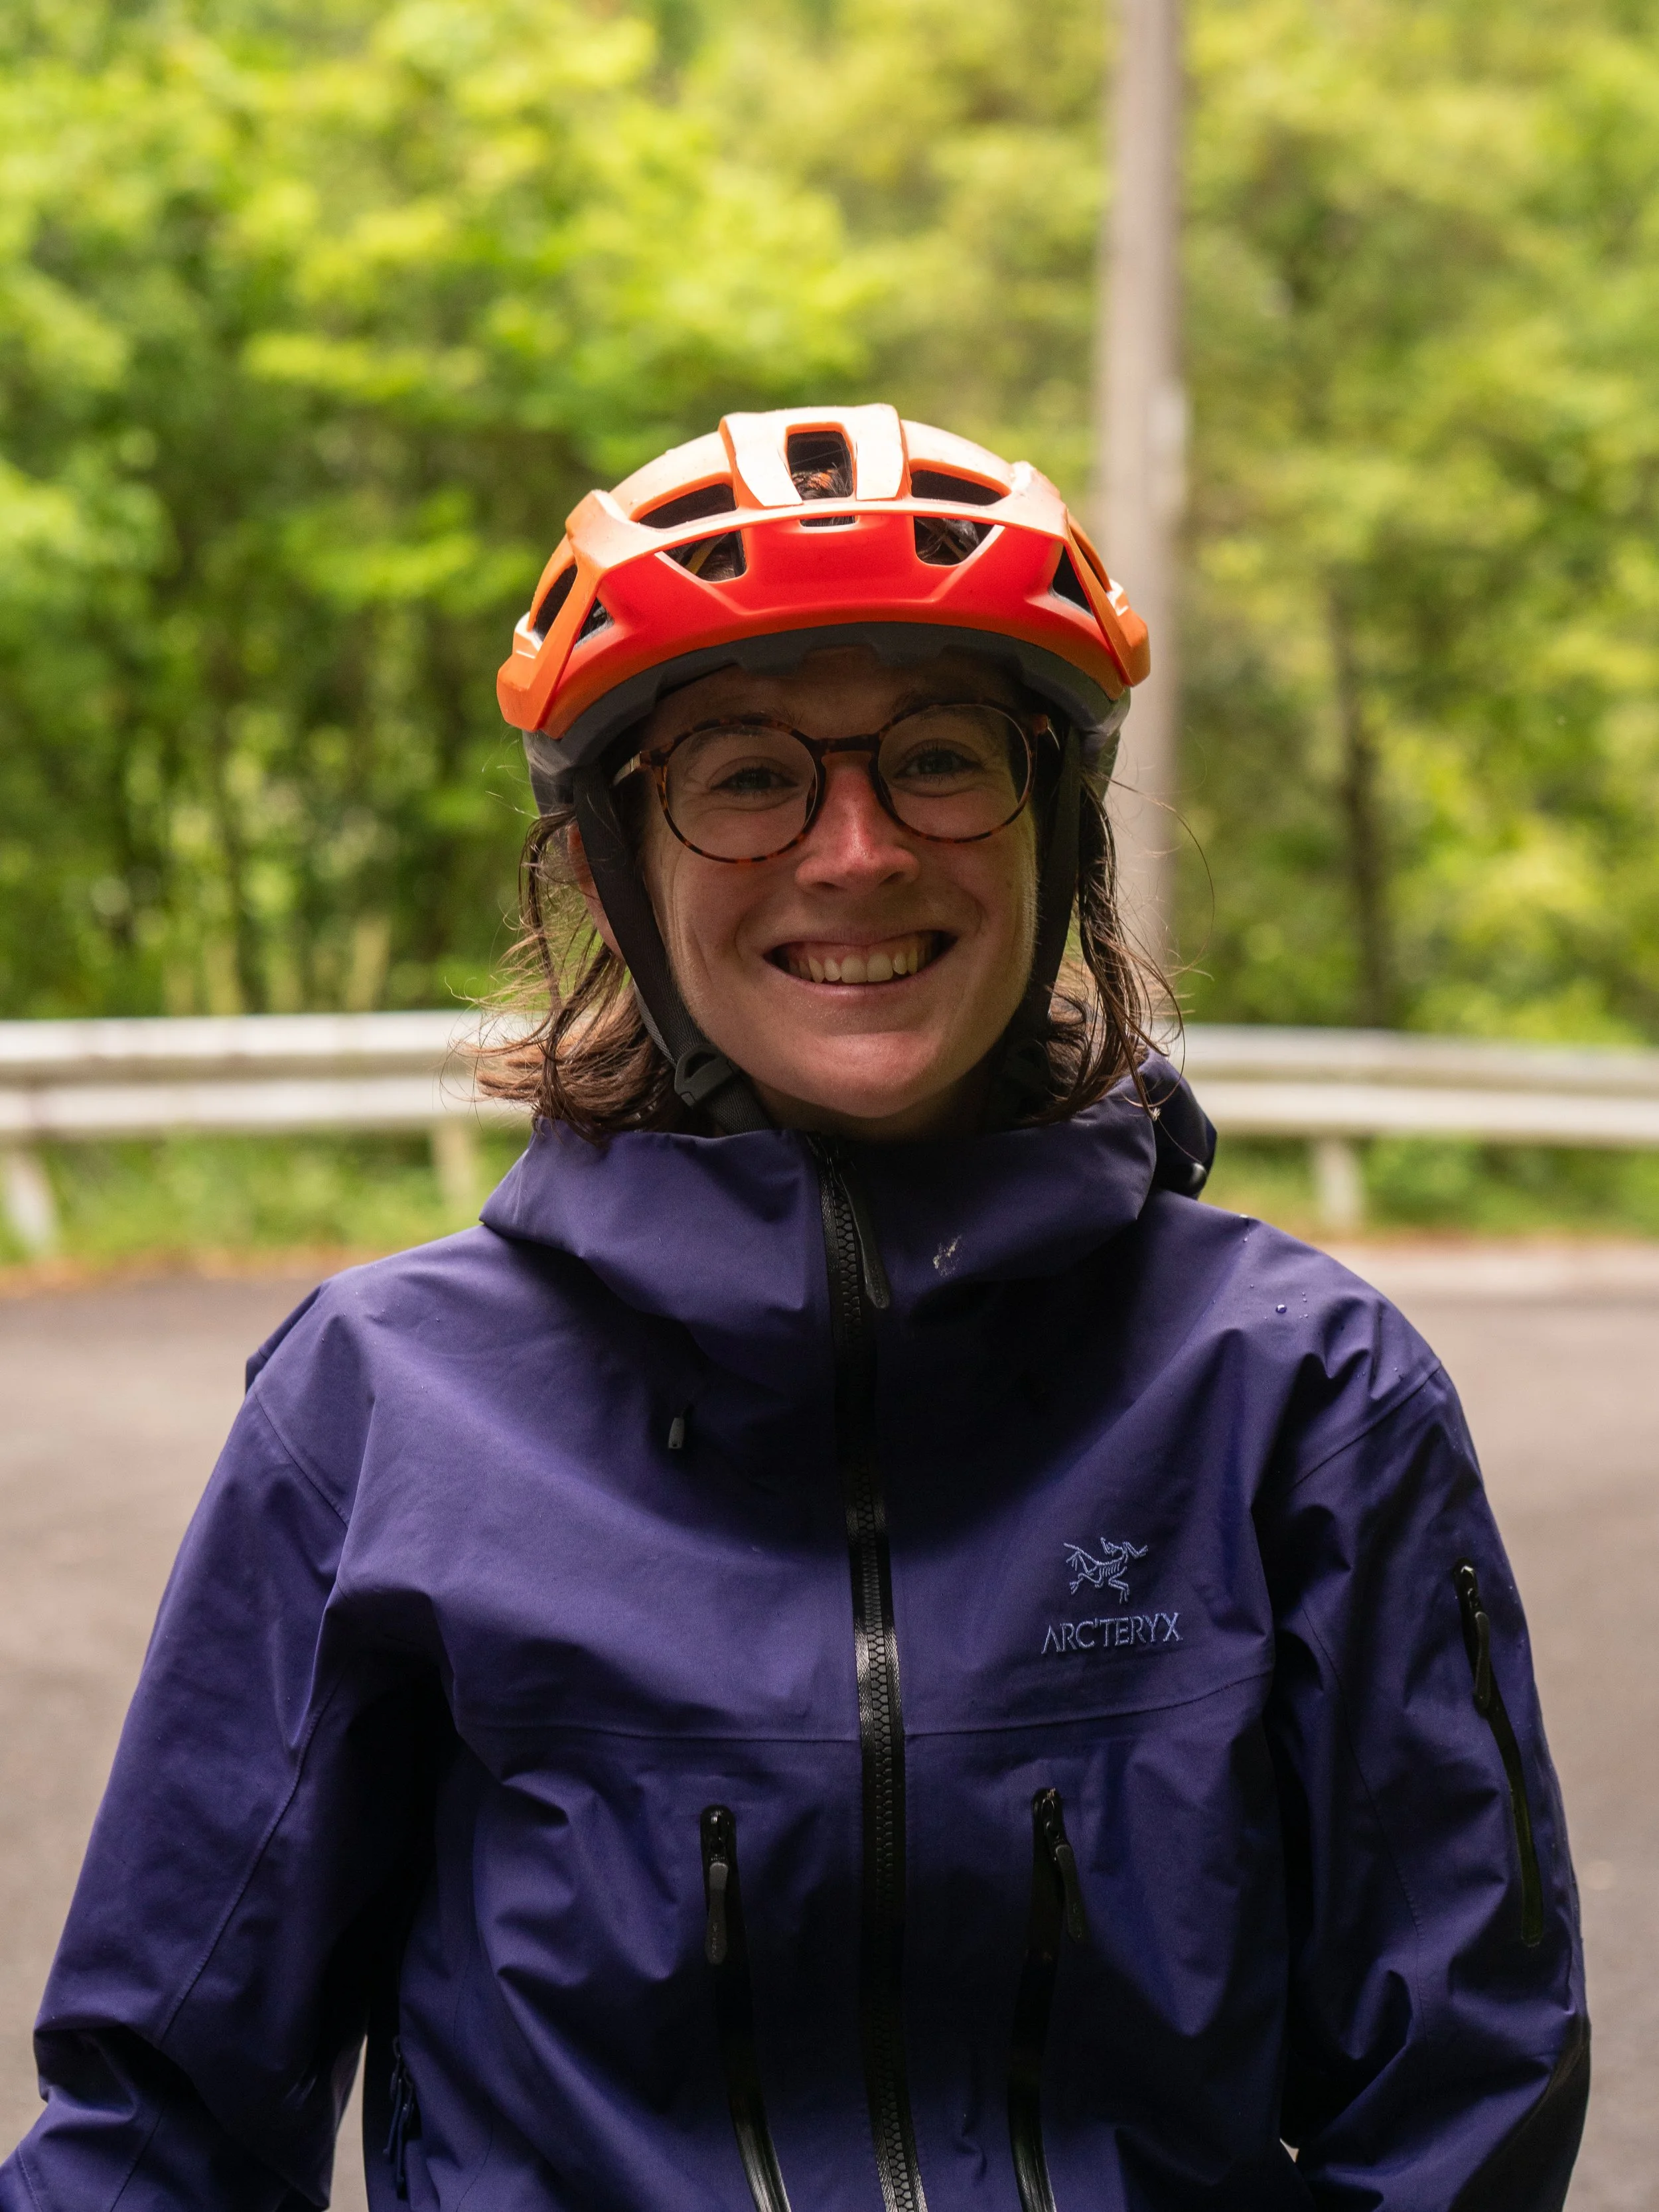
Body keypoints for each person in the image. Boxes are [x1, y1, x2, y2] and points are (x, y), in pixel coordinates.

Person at [0, 406, 1586, 2212]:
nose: (855, 849)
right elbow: (160, 2131)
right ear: (614, 863)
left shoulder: (1303, 1395)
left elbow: (1457, 2095)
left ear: (1056, 828)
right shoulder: (380, 1412)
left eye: (937, 757)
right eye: (748, 773)